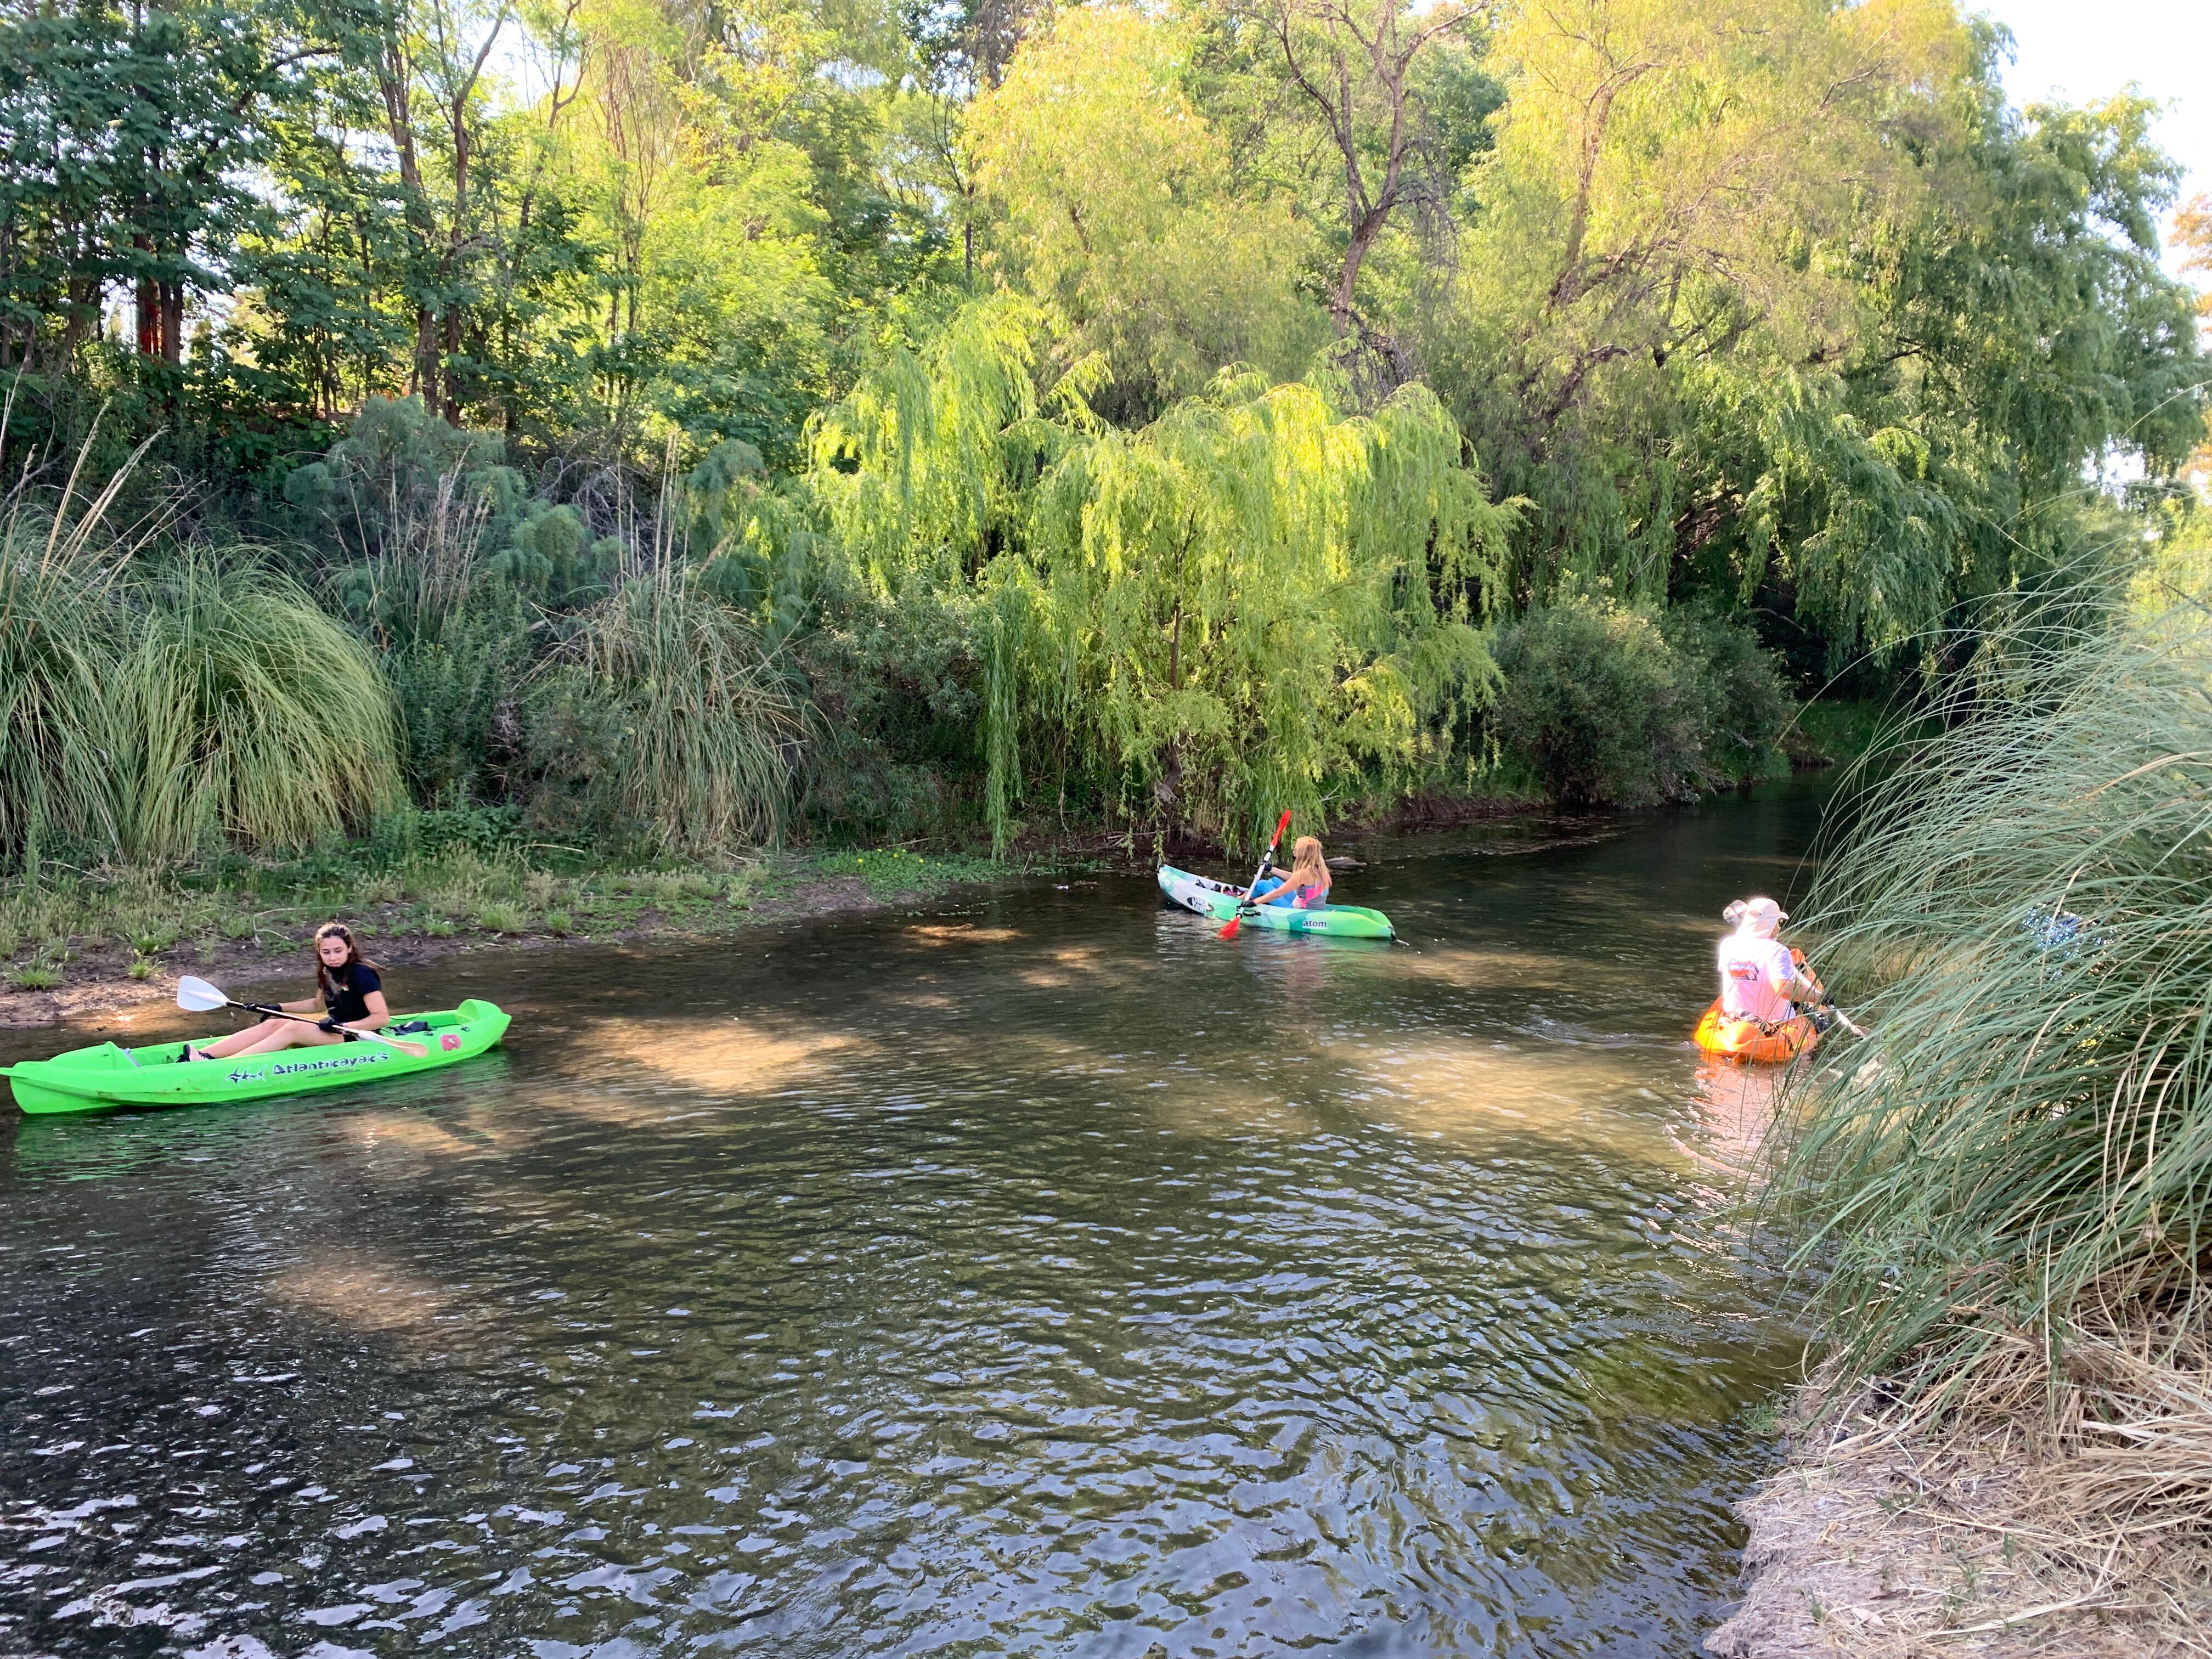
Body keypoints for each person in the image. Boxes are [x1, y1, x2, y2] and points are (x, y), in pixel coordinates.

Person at [182, 922, 391, 1063]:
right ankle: (205, 1055)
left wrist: (344, 1026)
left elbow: (381, 1018)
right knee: (273, 1023)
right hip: (334, 1029)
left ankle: (223, 1066)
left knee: (293, 1029)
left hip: (359, 1036)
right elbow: (316, 1005)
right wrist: (275, 1008)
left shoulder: (362, 974)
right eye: (326, 952)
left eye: (338, 951)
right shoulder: (327, 971)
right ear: (319, 952)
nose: (333, 957)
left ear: (349, 948)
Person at [1717, 897, 1818, 1029]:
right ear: (1772, 924)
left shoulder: (1727, 944)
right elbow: (1784, 990)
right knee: (1805, 1004)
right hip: (1775, 1022)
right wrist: (1819, 998)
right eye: (1779, 922)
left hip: (1734, 1017)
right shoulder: (1779, 951)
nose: (1779, 927)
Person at [1252, 835, 1333, 910]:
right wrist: (1271, 869)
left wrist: (1254, 903)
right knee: (1274, 880)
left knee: (1262, 884)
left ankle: (1244, 899)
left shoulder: (1303, 874)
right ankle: (1245, 896)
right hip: (1312, 906)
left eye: (1296, 849)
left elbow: (1279, 893)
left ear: (1303, 853)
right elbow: (1296, 879)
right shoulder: (1322, 870)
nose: (1294, 851)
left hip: (1296, 910)